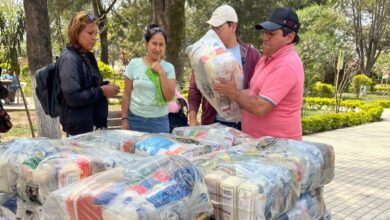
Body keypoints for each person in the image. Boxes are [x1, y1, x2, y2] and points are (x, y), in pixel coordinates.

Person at [213, 7, 304, 140]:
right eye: (265, 32)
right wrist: (228, 89)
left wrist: (233, 93)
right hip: (259, 144)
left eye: (271, 34)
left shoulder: (286, 64)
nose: (264, 38)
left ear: (289, 37)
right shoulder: (266, 58)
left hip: (279, 148)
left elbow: (261, 107)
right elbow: (255, 92)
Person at [188, 4, 261, 130]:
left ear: (233, 26)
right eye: (212, 28)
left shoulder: (251, 55)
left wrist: (235, 92)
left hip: (244, 126)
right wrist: (193, 117)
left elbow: (259, 90)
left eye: (218, 28)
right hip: (213, 124)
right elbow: (195, 88)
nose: (214, 33)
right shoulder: (205, 54)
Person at [58, 11, 119, 136]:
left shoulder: (88, 56)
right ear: (76, 32)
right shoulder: (69, 59)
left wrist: (107, 86)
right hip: (79, 132)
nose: (94, 37)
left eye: (96, 33)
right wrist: (102, 91)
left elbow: (91, 84)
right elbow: (73, 97)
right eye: (90, 33)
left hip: (93, 128)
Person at [121, 24, 176, 133]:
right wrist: (124, 119)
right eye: (154, 44)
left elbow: (169, 97)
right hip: (135, 120)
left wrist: (161, 73)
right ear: (146, 44)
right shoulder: (134, 64)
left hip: (159, 122)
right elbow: (127, 94)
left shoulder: (168, 68)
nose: (157, 48)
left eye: (161, 45)